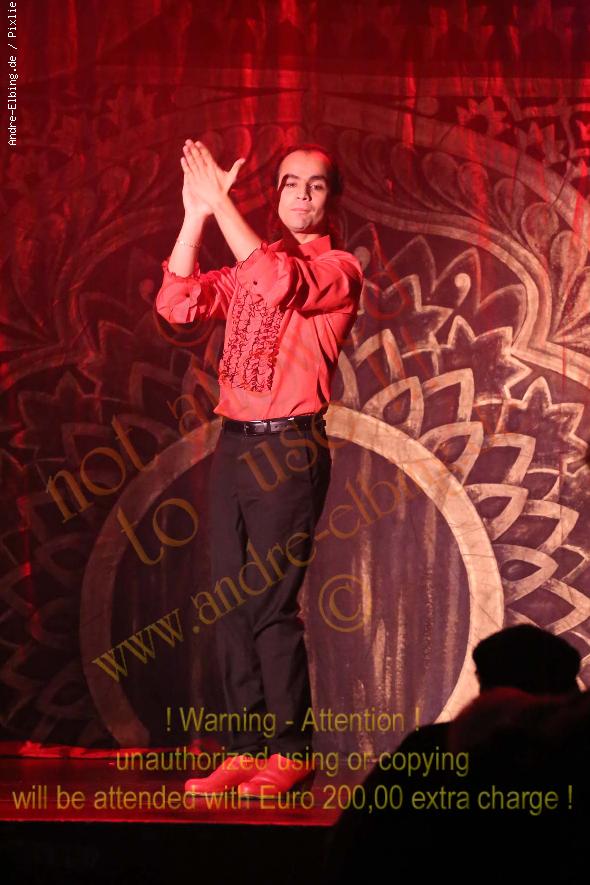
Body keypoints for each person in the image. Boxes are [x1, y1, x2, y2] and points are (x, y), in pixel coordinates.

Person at [153, 139, 364, 798]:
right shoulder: (252, 263)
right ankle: (245, 748)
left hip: (289, 449)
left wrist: (222, 203)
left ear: (332, 199)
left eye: (316, 185)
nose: (302, 194)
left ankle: (291, 749)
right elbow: (177, 303)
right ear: (275, 195)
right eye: (290, 183)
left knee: (271, 605)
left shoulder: (339, 268)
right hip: (235, 444)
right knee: (228, 602)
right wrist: (195, 212)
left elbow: (277, 282)